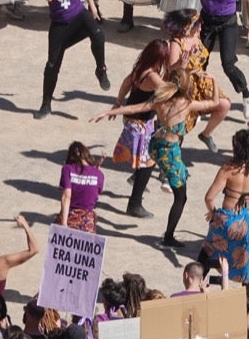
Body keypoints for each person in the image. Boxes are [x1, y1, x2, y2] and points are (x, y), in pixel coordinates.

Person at [91, 70, 222, 248]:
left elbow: (134, 108)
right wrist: (213, 80)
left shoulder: (158, 101)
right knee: (181, 198)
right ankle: (168, 236)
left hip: (155, 146)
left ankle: (151, 177)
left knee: (173, 171)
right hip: (170, 152)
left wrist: (108, 111)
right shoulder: (186, 103)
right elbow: (214, 103)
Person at [174, 0, 249, 121]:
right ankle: (198, 102)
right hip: (207, 22)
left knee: (228, 64)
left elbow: (248, 1)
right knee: (199, 63)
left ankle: (246, 93)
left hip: (228, 23)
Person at [34, 0, 109, 119]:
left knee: (98, 34)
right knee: (52, 64)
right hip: (60, 25)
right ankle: (46, 104)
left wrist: (92, 8)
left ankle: (101, 70)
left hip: (79, 16)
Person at [198, 128, 249, 283]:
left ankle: (196, 283)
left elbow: (209, 198)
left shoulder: (228, 169)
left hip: (228, 217)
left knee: (207, 250)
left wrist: (213, 213)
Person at [112, 39, 170, 219]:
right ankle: (134, 204)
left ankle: (135, 179)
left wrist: (118, 102)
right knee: (149, 161)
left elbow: (125, 83)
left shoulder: (140, 69)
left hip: (132, 120)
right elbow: (167, 91)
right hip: (140, 124)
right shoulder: (152, 76)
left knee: (146, 157)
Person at [165, 10, 232, 154]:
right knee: (180, 126)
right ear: (188, 26)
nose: (200, 28)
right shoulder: (176, 43)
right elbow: (171, 68)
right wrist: (181, 64)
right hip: (184, 84)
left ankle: (206, 134)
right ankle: (169, 163)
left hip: (201, 81)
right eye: (197, 25)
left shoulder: (196, 36)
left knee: (224, 104)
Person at [58, 142, 104, 233]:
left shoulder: (67, 169)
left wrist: (63, 224)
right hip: (88, 221)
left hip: (71, 217)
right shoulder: (99, 174)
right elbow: (92, 193)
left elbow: (66, 197)